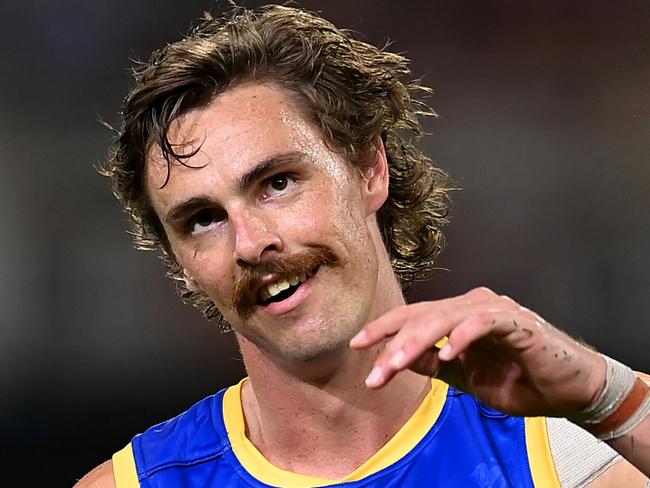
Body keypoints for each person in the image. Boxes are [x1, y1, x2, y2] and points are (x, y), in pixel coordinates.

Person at [76, 5, 650, 487]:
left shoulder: (572, 462)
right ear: (179, 261)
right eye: (202, 219)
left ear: (369, 168)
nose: (250, 243)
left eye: (278, 183)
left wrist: (604, 394)